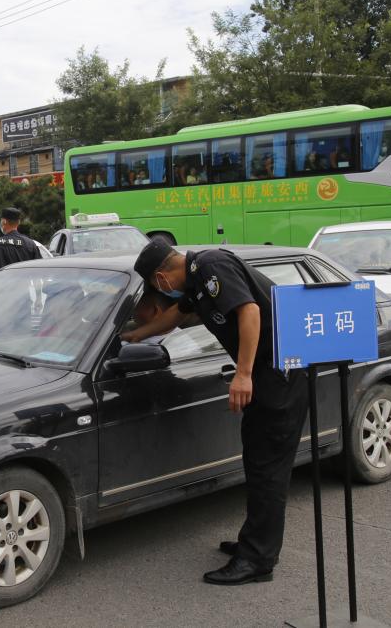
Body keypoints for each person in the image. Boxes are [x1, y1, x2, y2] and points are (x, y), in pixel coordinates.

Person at [122, 238, 309, 585]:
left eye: (156, 287)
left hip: (277, 373)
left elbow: (249, 311)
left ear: (161, 277)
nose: (161, 292)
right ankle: (253, 543)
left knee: (268, 468)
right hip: (266, 374)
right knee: (258, 460)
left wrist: (243, 374)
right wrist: (138, 335)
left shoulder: (211, 266)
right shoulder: (195, 280)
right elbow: (177, 315)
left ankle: (258, 560)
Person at [0, 207, 42, 276]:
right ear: (19, 222)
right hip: (26, 282)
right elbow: (39, 271)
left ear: (4, 221)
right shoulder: (30, 244)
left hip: (4, 283)